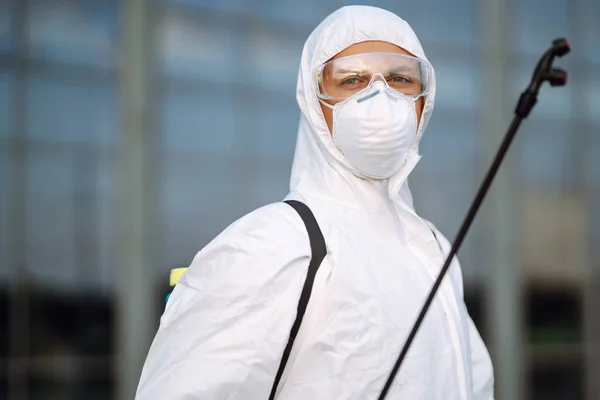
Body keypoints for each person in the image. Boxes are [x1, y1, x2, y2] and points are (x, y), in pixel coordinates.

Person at [135, 5, 494, 399]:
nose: (380, 96)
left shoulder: (434, 250)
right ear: (313, 100)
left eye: (400, 78)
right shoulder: (273, 245)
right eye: (352, 79)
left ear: (425, 101)